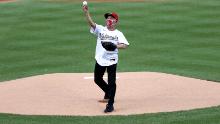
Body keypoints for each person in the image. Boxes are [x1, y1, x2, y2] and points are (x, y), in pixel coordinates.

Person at [82, 3, 129, 113]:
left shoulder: (118, 33)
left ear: (115, 21)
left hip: (112, 60)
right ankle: (109, 92)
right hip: (100, 59)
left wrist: (115, 46)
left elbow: (125, 45)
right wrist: (86, 12)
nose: (108, 19)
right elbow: (91, 24)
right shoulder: (101, 29)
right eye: (107, 18)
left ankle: (110, 104)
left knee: (112, 82)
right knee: (97, 79)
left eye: (111, 18)